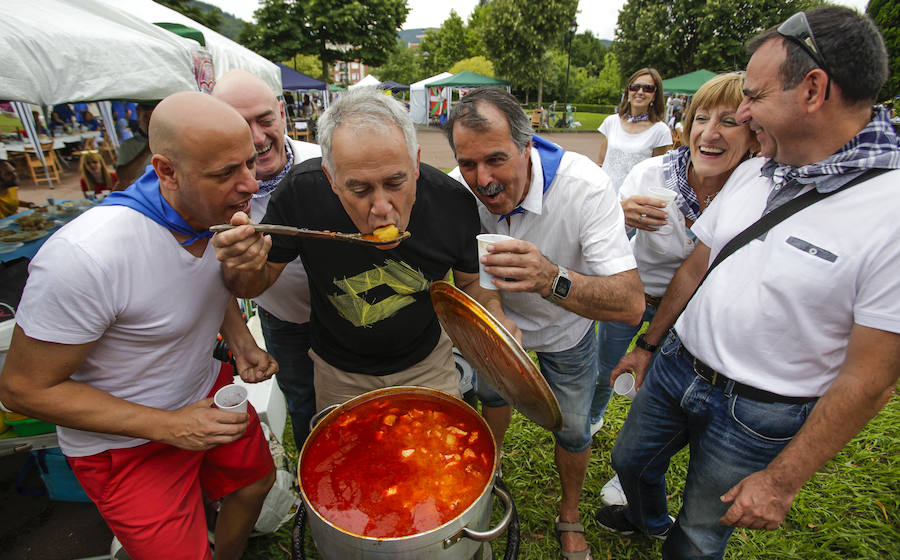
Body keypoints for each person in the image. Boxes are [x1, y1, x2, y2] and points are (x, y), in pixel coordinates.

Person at [594, 7, 900, 559]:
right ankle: (648, 520)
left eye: (753, 96)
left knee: (701, 534)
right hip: (677, 366)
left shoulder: (891, 210)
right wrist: (649, 345)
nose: (741, 112)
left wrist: (782, 480)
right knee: (629, 462)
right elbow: (697, 266)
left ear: (813, 90)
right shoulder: (757, 170)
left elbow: (871, 379)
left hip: (760, 412)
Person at [0, 92, 279, 560]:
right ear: (167, 171)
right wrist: (169, 426)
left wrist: (239, 337)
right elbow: (22, 390)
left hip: (206, 397)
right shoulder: (85, 257)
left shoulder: (208, 211)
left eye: (250, 163)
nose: (251, 184)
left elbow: (188, 282)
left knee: (254, 484)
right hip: (123, 445)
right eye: (226, 172)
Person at [213, 86, 505, 412]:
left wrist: (494, 317)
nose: (381, 208)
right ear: (331, 178)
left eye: (395, 182)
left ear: (415, 163)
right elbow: (256, 283)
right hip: (339, 372)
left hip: (428, 362)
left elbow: (470, 281)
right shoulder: (301, 193)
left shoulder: (451, 203)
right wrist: (243, 264)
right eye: (360, 189)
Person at [445, 87, 644, 560]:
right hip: (497, 327)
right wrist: (495, 315)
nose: (482, 180)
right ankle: (490, 474)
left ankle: (569, 515)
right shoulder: (455, 189)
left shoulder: (585, 187)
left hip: (566, 332)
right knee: (493, 397)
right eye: (468, 163)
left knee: (573, 429)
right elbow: (466, 268)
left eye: (496, 159)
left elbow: (630, 302)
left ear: (526, 145)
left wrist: (550, 278)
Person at [587, 72, 760, 509]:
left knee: (655, 392)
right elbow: (603, 239)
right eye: (701, 117)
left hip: (689, 315)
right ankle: (592, 418)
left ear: (755, 136)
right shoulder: (650, 175)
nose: (711, 132)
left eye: (729, 121)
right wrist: (620, 214)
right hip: (633, 298)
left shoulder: (754, 192)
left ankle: (627, 473)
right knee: (606, 367)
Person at [213, 69, 322, 449]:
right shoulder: (215, 193)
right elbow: (207, 276)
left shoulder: (325, 162)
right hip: (284, 321)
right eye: (240, 125)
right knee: (303, 403)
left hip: (349, 315)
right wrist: (241, 340)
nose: (258, 138)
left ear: (282, 112)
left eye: (264, 120)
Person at [597, 67, 673, 192]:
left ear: (654, 95)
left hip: (636, 197)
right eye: (635, 87)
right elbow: (600, 163)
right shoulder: (611, 122)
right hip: (606, 195)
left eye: (648, 88)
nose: (640, 92)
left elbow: (657, 174)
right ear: (628, 91)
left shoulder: (660, 131)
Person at [116, 102, 156, 189]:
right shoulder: (128, 145)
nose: (150, 122)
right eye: (146, 117)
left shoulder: (169, 142)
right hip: (139, 191)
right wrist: (146, 152)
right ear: (138, 118)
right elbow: (123, 178)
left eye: (153, 117)